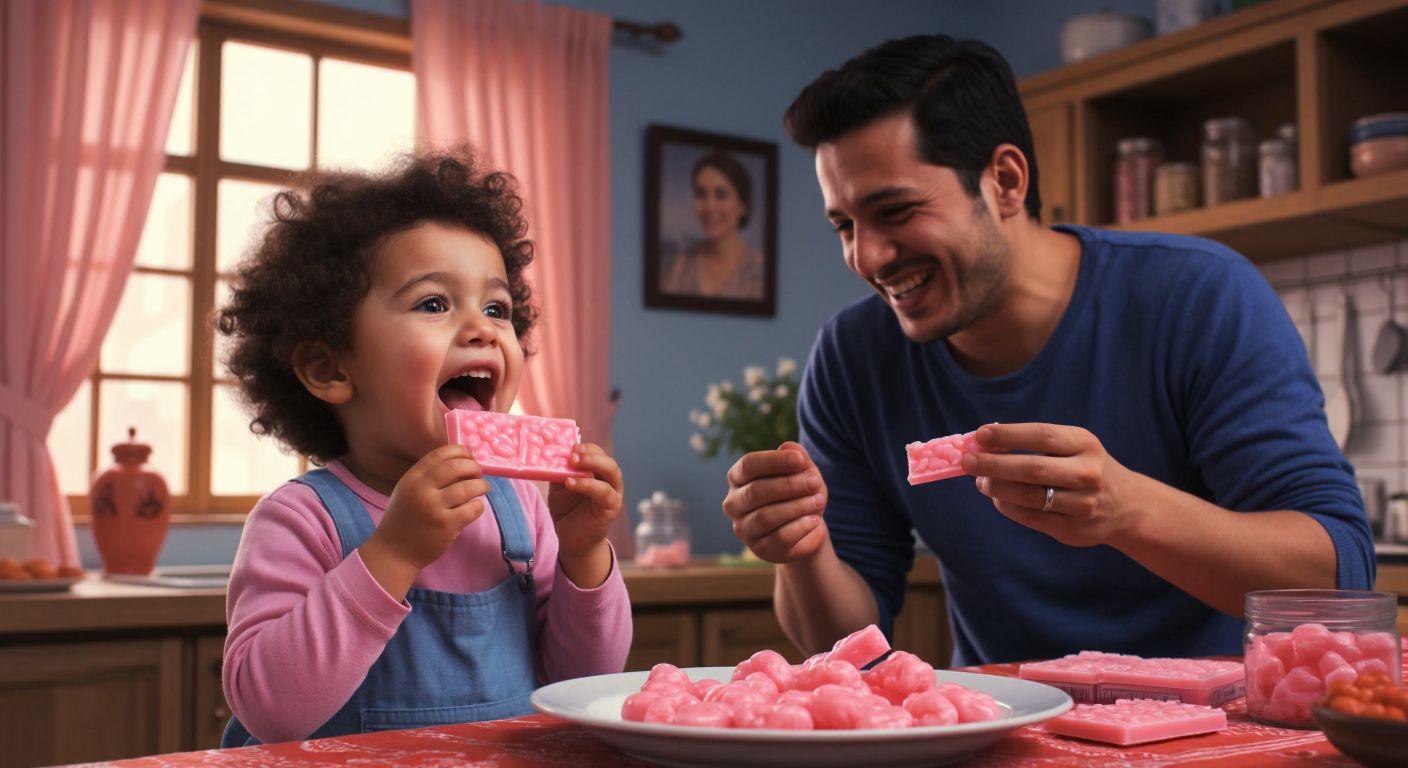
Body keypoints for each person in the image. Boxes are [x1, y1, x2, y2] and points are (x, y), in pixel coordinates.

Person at [721, 35, 1374, 667]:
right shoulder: (853, 356)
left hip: (1216, 731)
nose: (866, 257)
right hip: (1004, 732)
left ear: (1004, 180)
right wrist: (801, 551)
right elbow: (846, 645)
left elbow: (1338, 578)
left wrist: (1129, 509)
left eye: (895, 211)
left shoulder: (1199, 295)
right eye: (844, 224)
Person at [214, 148, 631, 745]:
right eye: (434, 303)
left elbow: (583, 685)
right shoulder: (302, 519)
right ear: (329, 368)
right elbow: (272, 712)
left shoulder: (523, 510)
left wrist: (584, 555)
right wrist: (395, 552)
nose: (483, 327)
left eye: (497, 308)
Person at [661, 151, 766, 300]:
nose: (710, 206)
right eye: (701, 194)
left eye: (721, 194)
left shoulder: (760, 268)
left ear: (743, 205)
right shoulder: (681, 266)